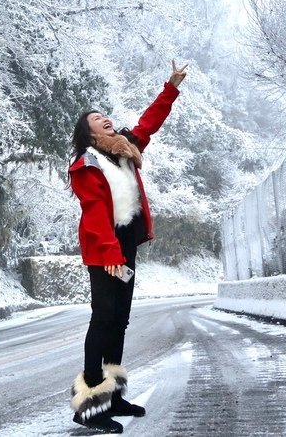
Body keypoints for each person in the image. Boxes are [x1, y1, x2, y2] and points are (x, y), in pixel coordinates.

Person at [67, 60, 188, 434]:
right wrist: (110, 254)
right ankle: (89, 407)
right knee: (102, 319)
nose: (105, 119)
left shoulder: (124, 150)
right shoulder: (86, 163)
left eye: (105, 115)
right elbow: (95, 213)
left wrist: (171, 87)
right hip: (104, 248)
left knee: (119, 321)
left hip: (124, 245)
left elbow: (149, 123)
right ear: (86, 133)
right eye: (96, 118)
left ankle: (113, 395)